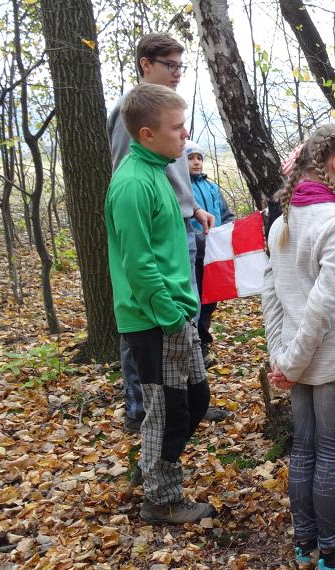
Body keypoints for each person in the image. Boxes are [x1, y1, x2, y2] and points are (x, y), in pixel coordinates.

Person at [261, 124, 335, 570]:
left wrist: (282, 357)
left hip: (298, 358)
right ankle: (331, 551)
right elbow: (322, 305)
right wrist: (287, 361)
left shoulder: (284, 221)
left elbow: (271, 295)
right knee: (328, 456)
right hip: (333, 360)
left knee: (305, 452)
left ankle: (306, 543)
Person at [105, 83, 215, 524]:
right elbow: (138, 264)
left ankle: (153, 464)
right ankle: (161, 499)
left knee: (195, 399)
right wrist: (170, 317)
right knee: (167, 412)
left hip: (176, 313)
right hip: (154, 320)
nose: (185, 135)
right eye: (176, 128)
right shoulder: (133, 184)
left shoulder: (157, 171)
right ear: (147, 134)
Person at [108, 33, 223, 433]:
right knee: (148, 325)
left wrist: (193, 208)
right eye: (169, 65)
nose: (177, 73)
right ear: (146, 64)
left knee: (184, 315)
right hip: (155, 236)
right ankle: (142, 408)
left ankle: (184, 400)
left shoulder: (169, 112)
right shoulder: (133, 114)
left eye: (180, 66)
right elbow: (133, 182)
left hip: (181, 226)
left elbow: (172, 175)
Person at [186, 141, 235, 366]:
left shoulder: (212, 187)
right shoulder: (182, 189)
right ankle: (197, 344)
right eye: (190, 158)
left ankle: (203, 342)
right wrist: (200, 239)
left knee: (210, 300)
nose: (196, 162)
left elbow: (226, 215)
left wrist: (229, 231)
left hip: (214, 256)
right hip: (194, 255)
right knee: (195, 300)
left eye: (199, 158)